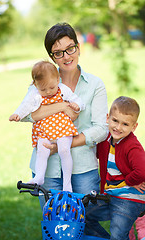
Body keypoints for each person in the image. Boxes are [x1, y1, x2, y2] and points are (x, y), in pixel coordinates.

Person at [21, 22, 108, 208]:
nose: (66, 56)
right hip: (48, 170)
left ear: (78, 47)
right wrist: (62, 106)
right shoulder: (42, 81)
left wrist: (60, 145)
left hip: (83, 167)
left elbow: (101, 129)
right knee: (54, 224)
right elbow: (28, 114)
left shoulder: (95, 84)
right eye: (58, 53)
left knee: (87, 223)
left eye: (70, 48)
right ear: (52, 57)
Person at [9, 60, 85, 192]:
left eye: (51, 87)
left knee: (64, 150)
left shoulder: (63, 89)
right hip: (44, 130)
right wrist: (17, 114)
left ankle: (67, 184)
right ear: (35, 84)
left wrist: (77, 106)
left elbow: (77, 99)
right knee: (42, 150)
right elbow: (25, 105)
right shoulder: (35, 94)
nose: (48, 92)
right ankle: (39, 177)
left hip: (62, 128)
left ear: (57, 79)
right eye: (43, 89)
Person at [84, 96, 145, 240]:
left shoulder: (132, 146)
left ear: (133, 127)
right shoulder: (105, 140)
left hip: (129, 198)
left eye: (125, 124)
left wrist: (130, 181)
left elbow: (142, 170)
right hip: (110, 195)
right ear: (108, 118)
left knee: (118, 234)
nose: (118, 127)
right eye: (115, 121)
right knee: (81, 214)